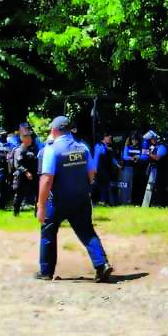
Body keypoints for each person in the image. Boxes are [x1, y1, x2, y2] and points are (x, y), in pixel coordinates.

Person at [35, 116, 114, 282]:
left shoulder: (52, 149)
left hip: (58, 200)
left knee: (48, 232)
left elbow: (47, 179)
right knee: (86, 231)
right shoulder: (83, 147)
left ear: (55, 130)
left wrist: (41, 205)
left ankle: (46, 272)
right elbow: (92, 173)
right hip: (81, 198)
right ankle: (102, 265)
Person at [11, 131, 40, 216]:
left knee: (38, 194)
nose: (30, 139)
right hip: (22, 176)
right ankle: (16, 213)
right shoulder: (19, 150)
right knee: (20, 194)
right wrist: (26, 172)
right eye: (28, 137)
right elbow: (17, 165)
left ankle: (37, 213)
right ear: (23, 139)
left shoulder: (34, 149)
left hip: (34, 174)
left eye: (30, 137)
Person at [92, 132, 120, 206]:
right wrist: (94, 168)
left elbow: (112, 158)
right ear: (104, 138)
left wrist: (117, 164)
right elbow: (97, 156)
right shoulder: (99, 145)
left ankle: (103, 201)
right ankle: (96, 201)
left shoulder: (109, 147)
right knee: (98, 185)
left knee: (104, 185)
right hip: (99, 169)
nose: (110, 138)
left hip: (106, 169)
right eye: (108, 137)